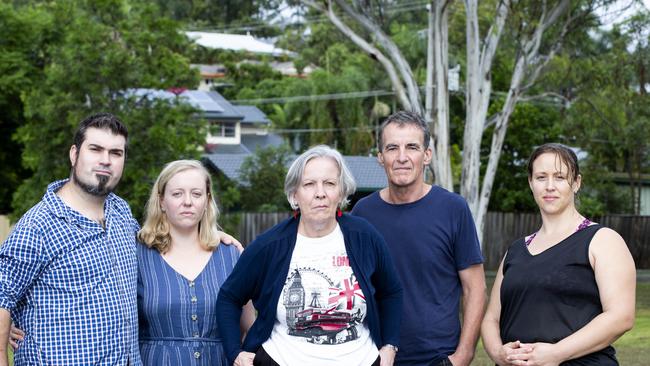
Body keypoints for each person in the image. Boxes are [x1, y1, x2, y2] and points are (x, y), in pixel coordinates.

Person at [216, 145, 403, 366]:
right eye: (309, 184)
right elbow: (229, 297)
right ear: (294, 195)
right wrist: (235, 352)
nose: (320, 193)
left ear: (341, 192)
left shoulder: (365, 237)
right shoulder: (269, 246)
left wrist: (389, 347)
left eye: (330, 183)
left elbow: (391, 292)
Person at [0, 113, 141, 365]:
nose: (105, 160)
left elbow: (159, 244)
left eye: (116, 153)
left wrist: (207, 233)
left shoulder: (121, 212)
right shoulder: (38, 226)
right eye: (95, 149)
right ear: (74, 154)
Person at [351, 111, 486, 366]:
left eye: (411, 147)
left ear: (426, 155)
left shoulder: (453, 209)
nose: (402, 157)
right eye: (392, 148)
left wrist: (463, 356)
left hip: (437, 358)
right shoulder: (362, 214)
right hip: (374, 356)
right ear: (380, 157)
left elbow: (475, 288)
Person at [481, 143, 636, 365]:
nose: (550, 186)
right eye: (541, 177)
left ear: (576, 183)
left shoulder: (602, 241)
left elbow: (621, 317)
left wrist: (556, 353)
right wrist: (498, 353)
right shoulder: (515, 251)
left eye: (560, 177)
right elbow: (491, 319)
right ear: (531, 183)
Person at [136, 159, 254, 365]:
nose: (188, 201)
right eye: (177, 193)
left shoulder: (231, 255)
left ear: (207, 201)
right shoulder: (138, 255)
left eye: (196, 194)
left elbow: (250, 328)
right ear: (162, 201)